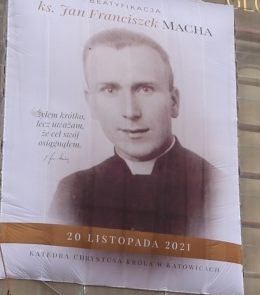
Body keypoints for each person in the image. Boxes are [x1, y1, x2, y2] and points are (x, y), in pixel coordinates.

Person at [50, 28, 217, 238]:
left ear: (173, 102)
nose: (130, 112)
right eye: (110, 90)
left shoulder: (216, 185)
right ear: (91, 103)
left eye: (145, 89)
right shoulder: (73, 189)